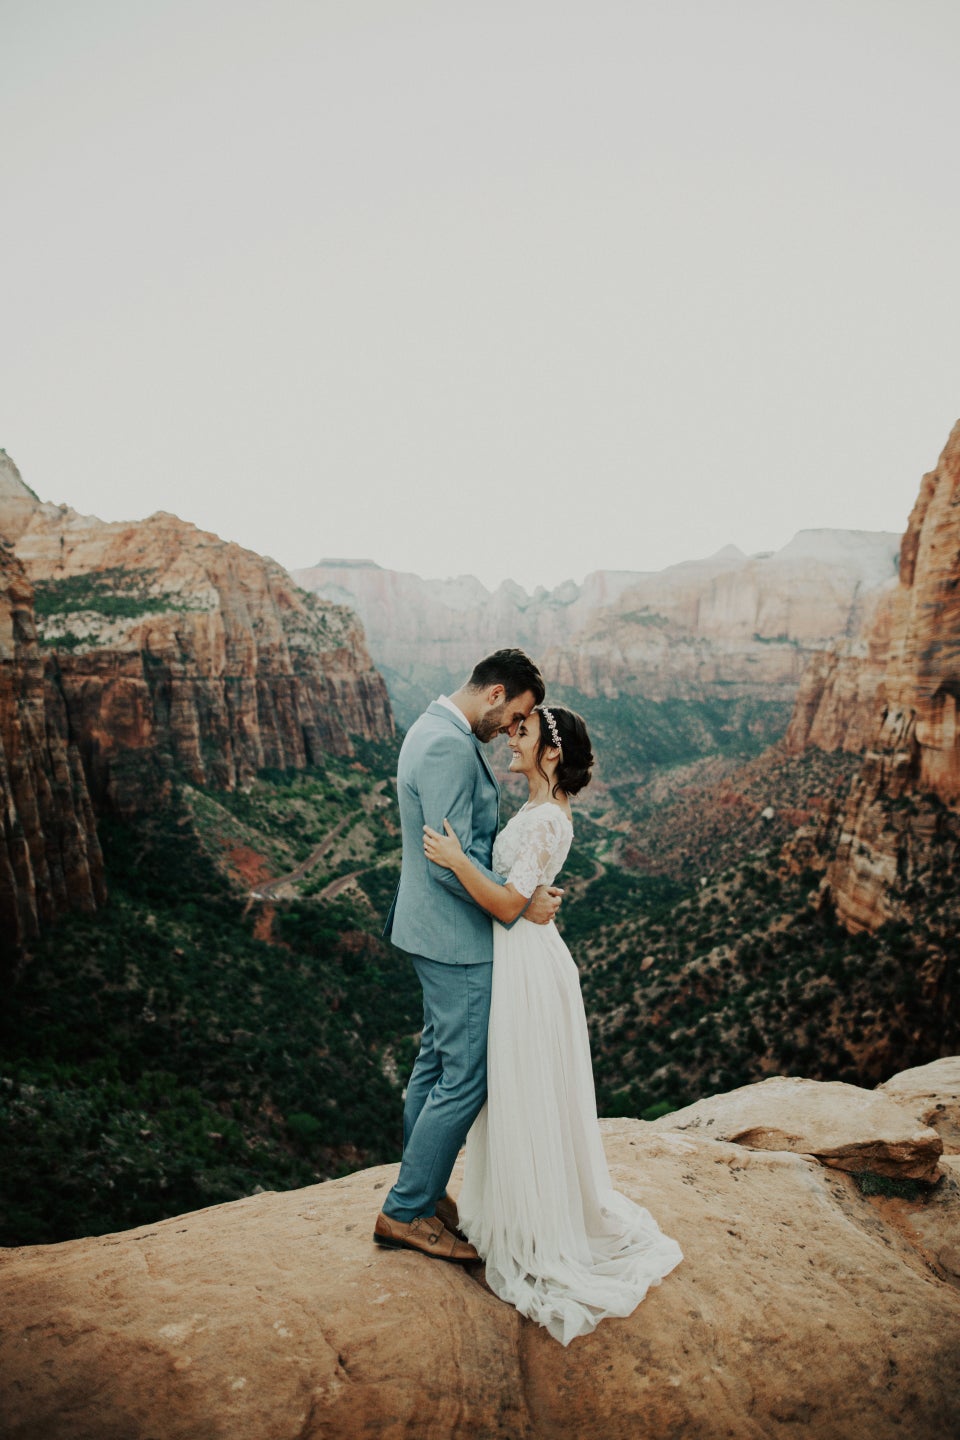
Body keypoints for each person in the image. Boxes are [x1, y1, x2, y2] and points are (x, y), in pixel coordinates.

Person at [422, 702, 683, 1344]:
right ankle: (527, 1214)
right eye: (514, 726)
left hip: (526, 967)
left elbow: (511, 903)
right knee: (524, 1091)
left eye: (524, 731)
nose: (512, 736)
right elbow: (524, 894)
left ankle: (536, 1232)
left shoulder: (542, 818)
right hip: (528, 956)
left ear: (550, 754)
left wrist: (457, 862)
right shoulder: (542, 811)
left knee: (524, 1091)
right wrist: (526, 897)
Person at [375, 649, 562, 1263]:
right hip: (455, 935)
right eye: (518, 714)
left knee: (434, 1063)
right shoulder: (446, 746)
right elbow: (449, 861)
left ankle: (420, 1193)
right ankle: (406, 1210)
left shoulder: (438, 730)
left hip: (437, 931)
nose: (513, 729)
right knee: (466, 1075)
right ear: (496, 693)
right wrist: (517, 903)